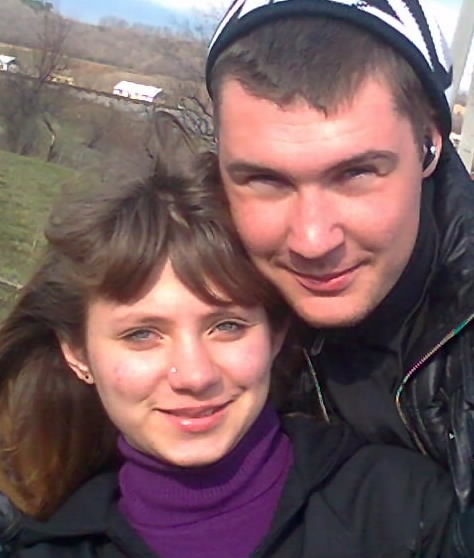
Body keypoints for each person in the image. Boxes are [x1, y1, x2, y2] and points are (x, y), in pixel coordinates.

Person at [0, 113, 464, 557]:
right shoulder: (42, 546)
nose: (194, 375)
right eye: (142, 335)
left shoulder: (410, 515)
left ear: (276, 334)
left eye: (227, 327)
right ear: (78, 352)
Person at [205, 0, 474, 508]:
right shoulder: (186, 297)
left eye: (356, 174)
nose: (312, 240)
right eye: (265, 180)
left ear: (430, 147)